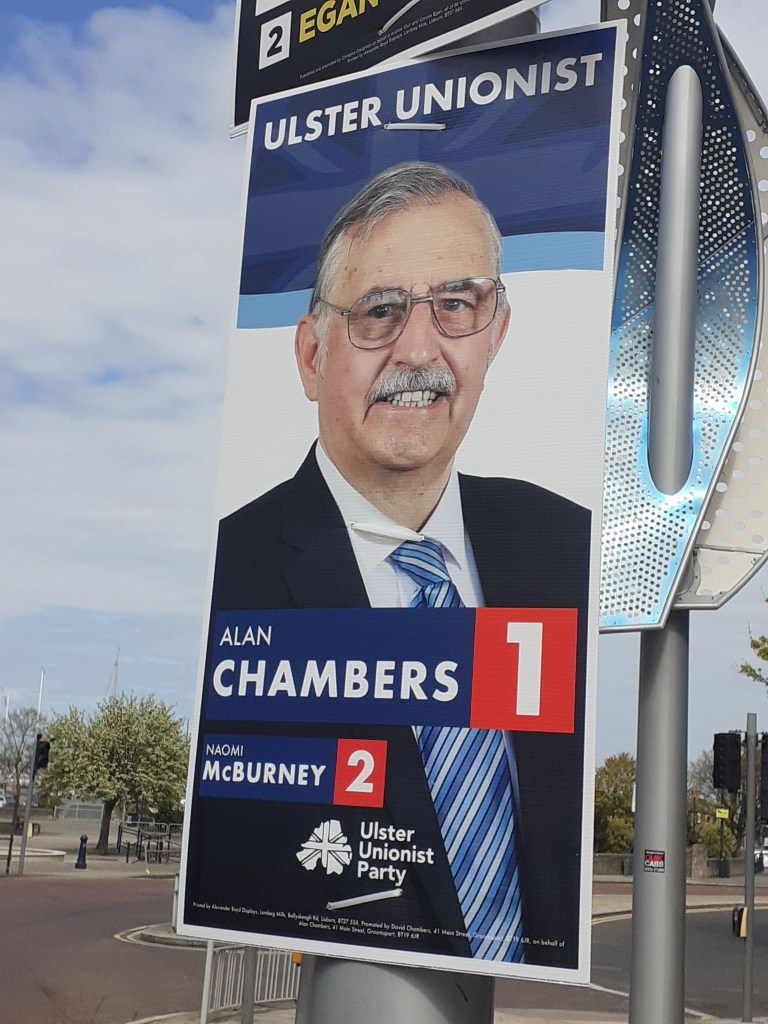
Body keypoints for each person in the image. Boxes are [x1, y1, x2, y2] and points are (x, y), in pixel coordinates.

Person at [186, 163, 591, 969]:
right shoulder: (234, 574)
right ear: (311, 355)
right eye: (378, 311)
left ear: (496, 333)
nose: (418, 349)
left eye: (456, 305)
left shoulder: (566, 542)